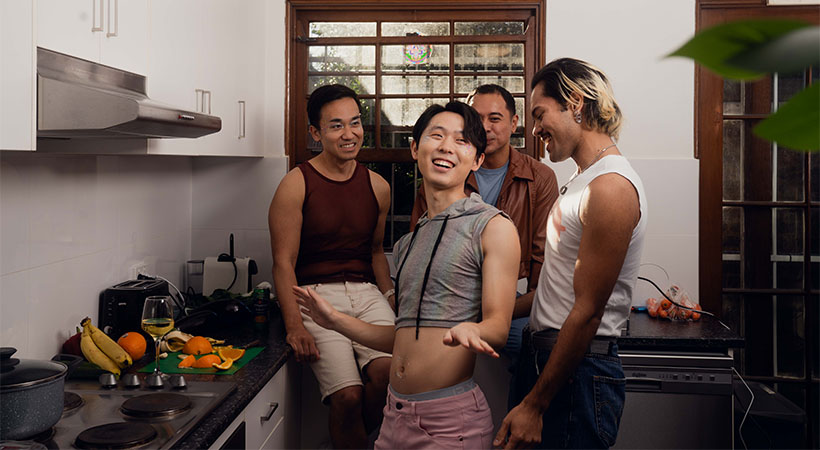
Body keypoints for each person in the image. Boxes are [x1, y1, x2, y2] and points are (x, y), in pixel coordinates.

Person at [294, 101, 521, 449]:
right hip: (394, 419)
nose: (446, 146)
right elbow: (403, 337)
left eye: (461, 141)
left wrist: (474, 328)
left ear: (477, 160)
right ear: (416, 148)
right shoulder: (409, 242)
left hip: (448, 424)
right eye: (437, 135)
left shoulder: (491, 226)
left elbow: (498, 328)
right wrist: (334, 320)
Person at [494, 58, 647, 449]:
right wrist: (492, 313)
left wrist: (535, 404)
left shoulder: (610, 187)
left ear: (575, 102)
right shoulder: (583, 180)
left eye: (540, 113)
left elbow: (587, 311)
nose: (534, 128)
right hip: (548, 363)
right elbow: (553, 290)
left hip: (576, 375)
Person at [268, 84, 395, 449]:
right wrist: (295, 327)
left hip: (367, 294)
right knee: (348, 397)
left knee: (393, 376)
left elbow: (375, 251)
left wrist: (389, 296)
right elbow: (282, 263)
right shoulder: (295, 184)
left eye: (355, 123)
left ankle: (343, 439)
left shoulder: (378, 186)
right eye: (336, 125)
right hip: (315, 298)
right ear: (316, 133)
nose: (349, 133)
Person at [410, 85, 558, 367]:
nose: (485, 127)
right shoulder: (443, 170)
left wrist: (494, 313)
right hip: (448, 294)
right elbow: (420, 245)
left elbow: (543, 262)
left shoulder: (539, 178)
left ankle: (527, 410)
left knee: (537, 347)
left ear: (514, 123)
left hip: (512, 298)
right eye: (477, 119)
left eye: (495, 118)